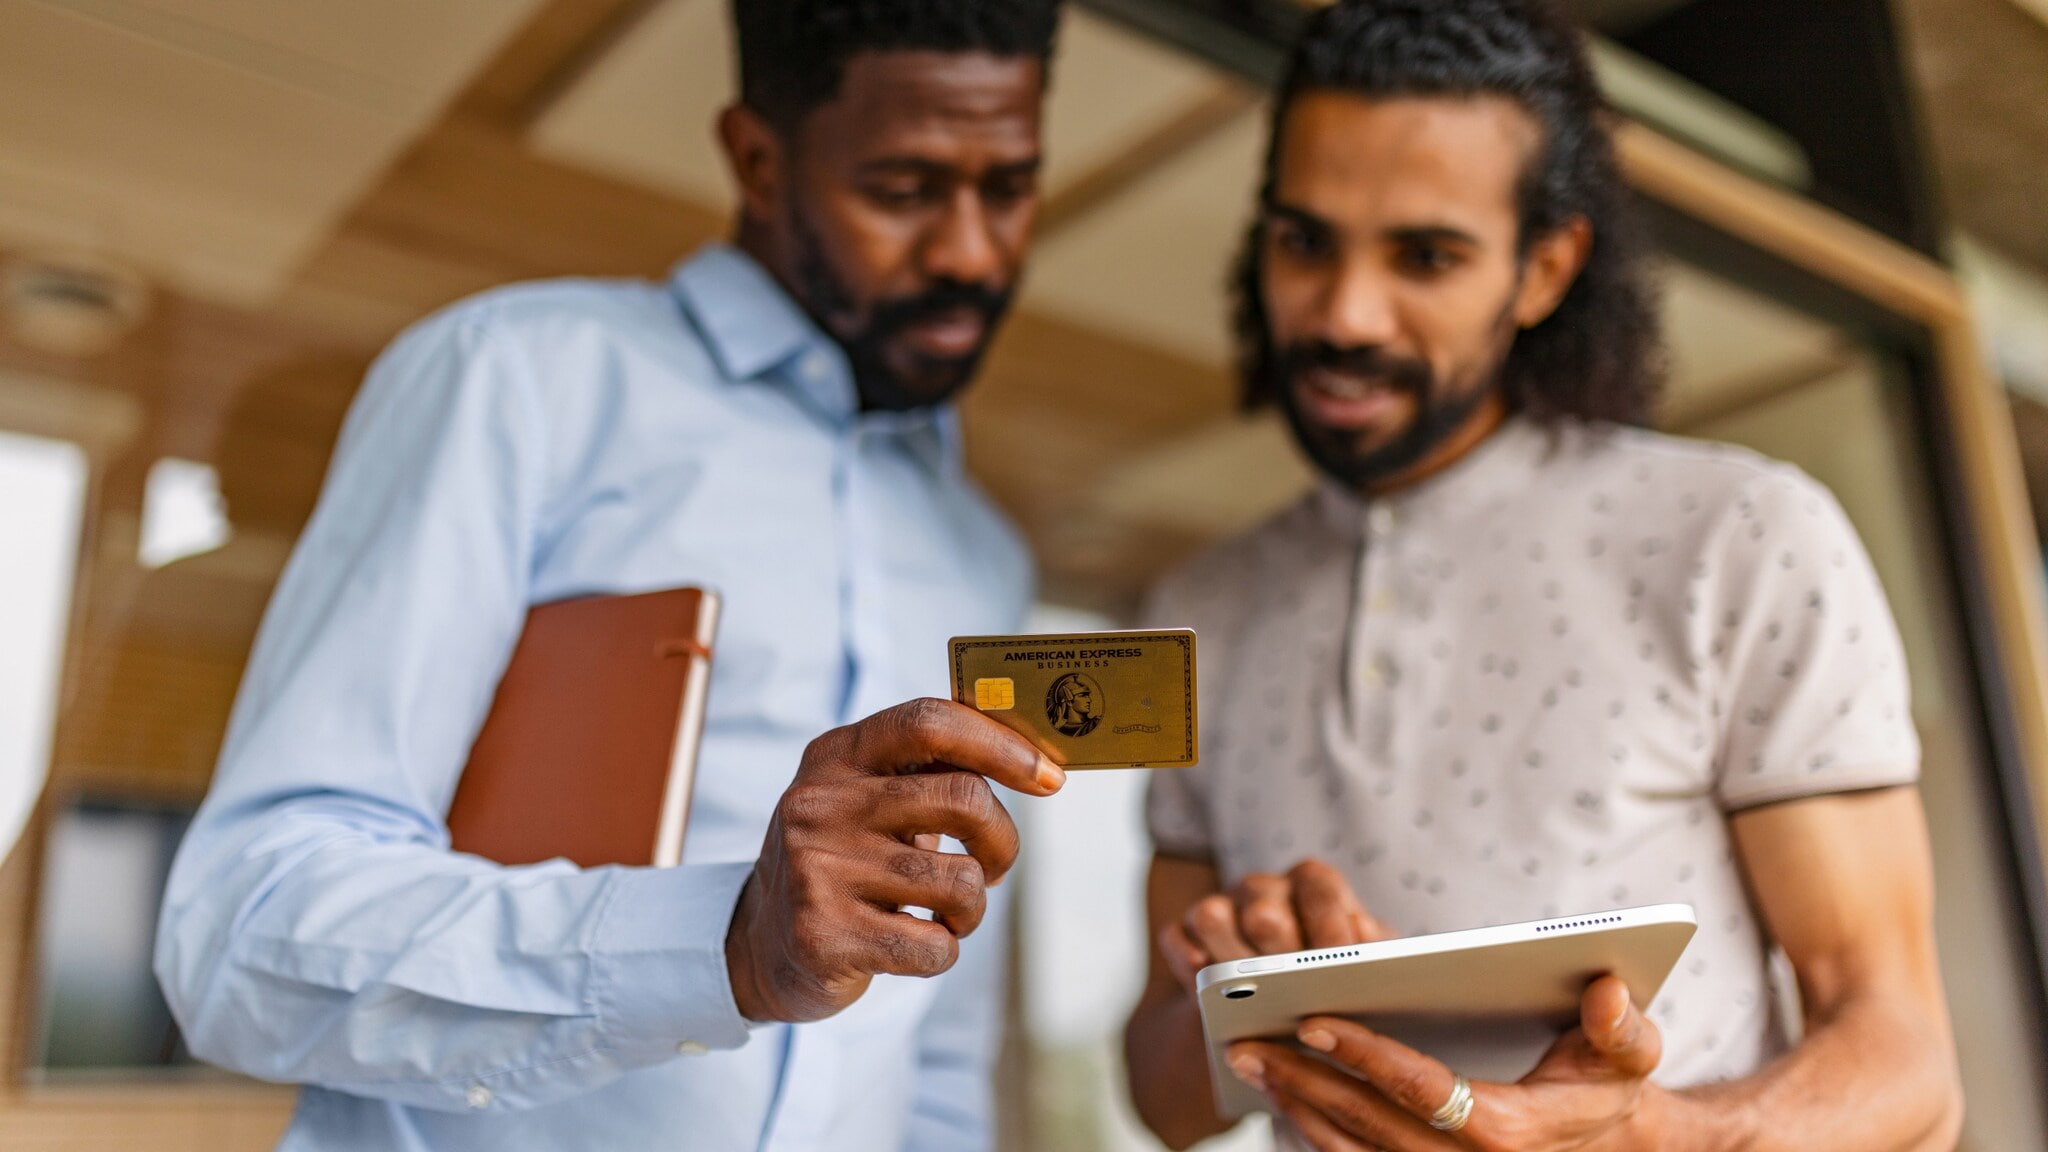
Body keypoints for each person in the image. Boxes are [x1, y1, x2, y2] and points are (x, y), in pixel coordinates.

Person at [155, 3, 1066, 1149]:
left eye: (1011, 187)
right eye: (901, 188)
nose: (971, 252)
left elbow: (936, 1037)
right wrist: (721, 942)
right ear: (756, 158)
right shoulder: (521, 382)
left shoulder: (981, 553)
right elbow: (241, 934)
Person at [1122, 2, 1964, 1149]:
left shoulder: (1743, 538)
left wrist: (1651, 1137)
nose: (1342, 313)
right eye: (1304, 241)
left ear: (1544, 267)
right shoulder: (1194, 615)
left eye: (1424, 255)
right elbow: (1162, 1093)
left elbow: (1905, 1055)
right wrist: (1244, 1000)